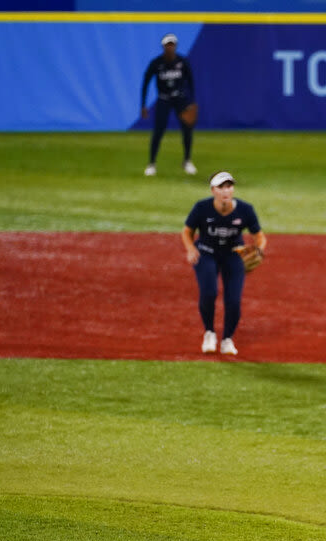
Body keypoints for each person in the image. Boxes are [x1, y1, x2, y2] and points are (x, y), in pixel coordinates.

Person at [181, 171, 266, 356]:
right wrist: (190, 248)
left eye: (229, 186)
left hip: (233, 255)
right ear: (213, 190)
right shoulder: (202, 208)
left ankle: (227, 339)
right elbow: (187, 231)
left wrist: (259, 250)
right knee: (209, 292)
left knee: (233, 301)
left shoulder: (245, 209)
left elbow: (259, 236)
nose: (226, 191)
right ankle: (209, 332)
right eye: (221, 187)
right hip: (206, 253)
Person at [140, 33, 197, 177]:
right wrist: (143, 104)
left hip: (180, 98)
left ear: (176, 46)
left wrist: (192, 102)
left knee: (187, 129)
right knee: (158, 131)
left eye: (172, 44)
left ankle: (187, 160)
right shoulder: (157, 63)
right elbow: (146, 82)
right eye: (168, 45)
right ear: (163, 46)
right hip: (163, 99)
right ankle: (151, 163)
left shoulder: (182, 62)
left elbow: (191, 82)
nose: (170, 47)